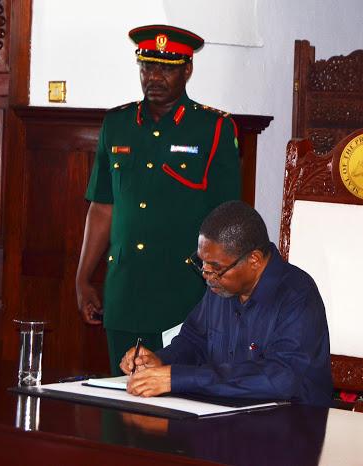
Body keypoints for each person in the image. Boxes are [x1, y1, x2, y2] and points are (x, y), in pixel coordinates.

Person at [76, 24, 241, 374]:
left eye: (166, 68)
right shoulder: (116, 124)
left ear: (187, 69)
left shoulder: (213, 128)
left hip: (183, 296)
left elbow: (227, 218)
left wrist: (222, 292)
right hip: (124, 292)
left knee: (176, 397)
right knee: (121, 395)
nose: (153, 77)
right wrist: (83, 278)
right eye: (147, 67)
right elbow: (102, 207)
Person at [119, 201, 333, 406]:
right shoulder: (220, 286)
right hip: (222, 413)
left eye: (215, 267)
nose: (206, 275)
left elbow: (280, 378)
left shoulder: (297, 295)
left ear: (254, 260)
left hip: (291, 419)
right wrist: (160, 361)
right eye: (202, 263)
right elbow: (194, 341)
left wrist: (178, 378)